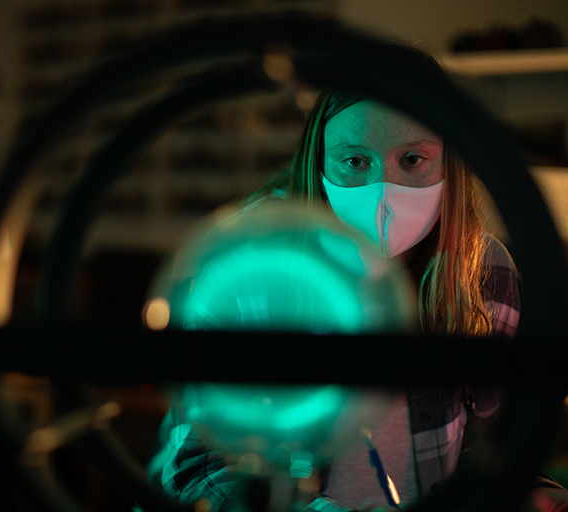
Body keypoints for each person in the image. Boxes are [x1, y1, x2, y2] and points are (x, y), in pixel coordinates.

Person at [147, 46, 568, 512]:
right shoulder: (249, 269)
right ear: (320, 159)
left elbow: (490, 441)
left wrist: (523, 489)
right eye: (354, 162)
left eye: (412, 159)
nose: (382, 196)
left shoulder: (484, 271)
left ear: (449, 160)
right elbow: (196, 468)